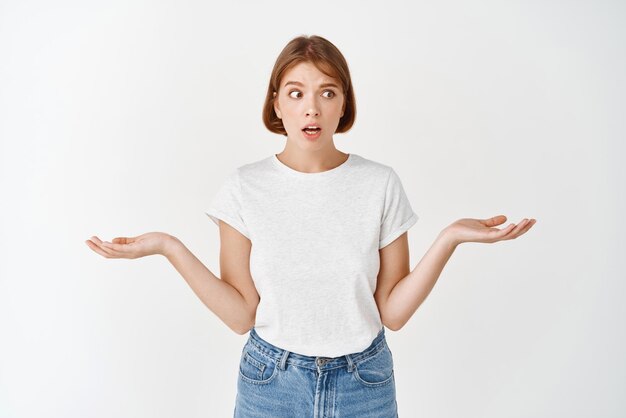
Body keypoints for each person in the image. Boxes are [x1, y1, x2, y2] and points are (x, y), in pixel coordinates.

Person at [85, 34, 536, 418]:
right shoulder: (244, 187)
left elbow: (393, 313)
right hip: (270, 383)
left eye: (328, 92)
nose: (312, 109)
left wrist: (450, 238)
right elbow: (241, 315)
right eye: (296, 93)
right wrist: (169, 246)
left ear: (344, 104)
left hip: (366, 383)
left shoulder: (379, 184)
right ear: (276, 104)